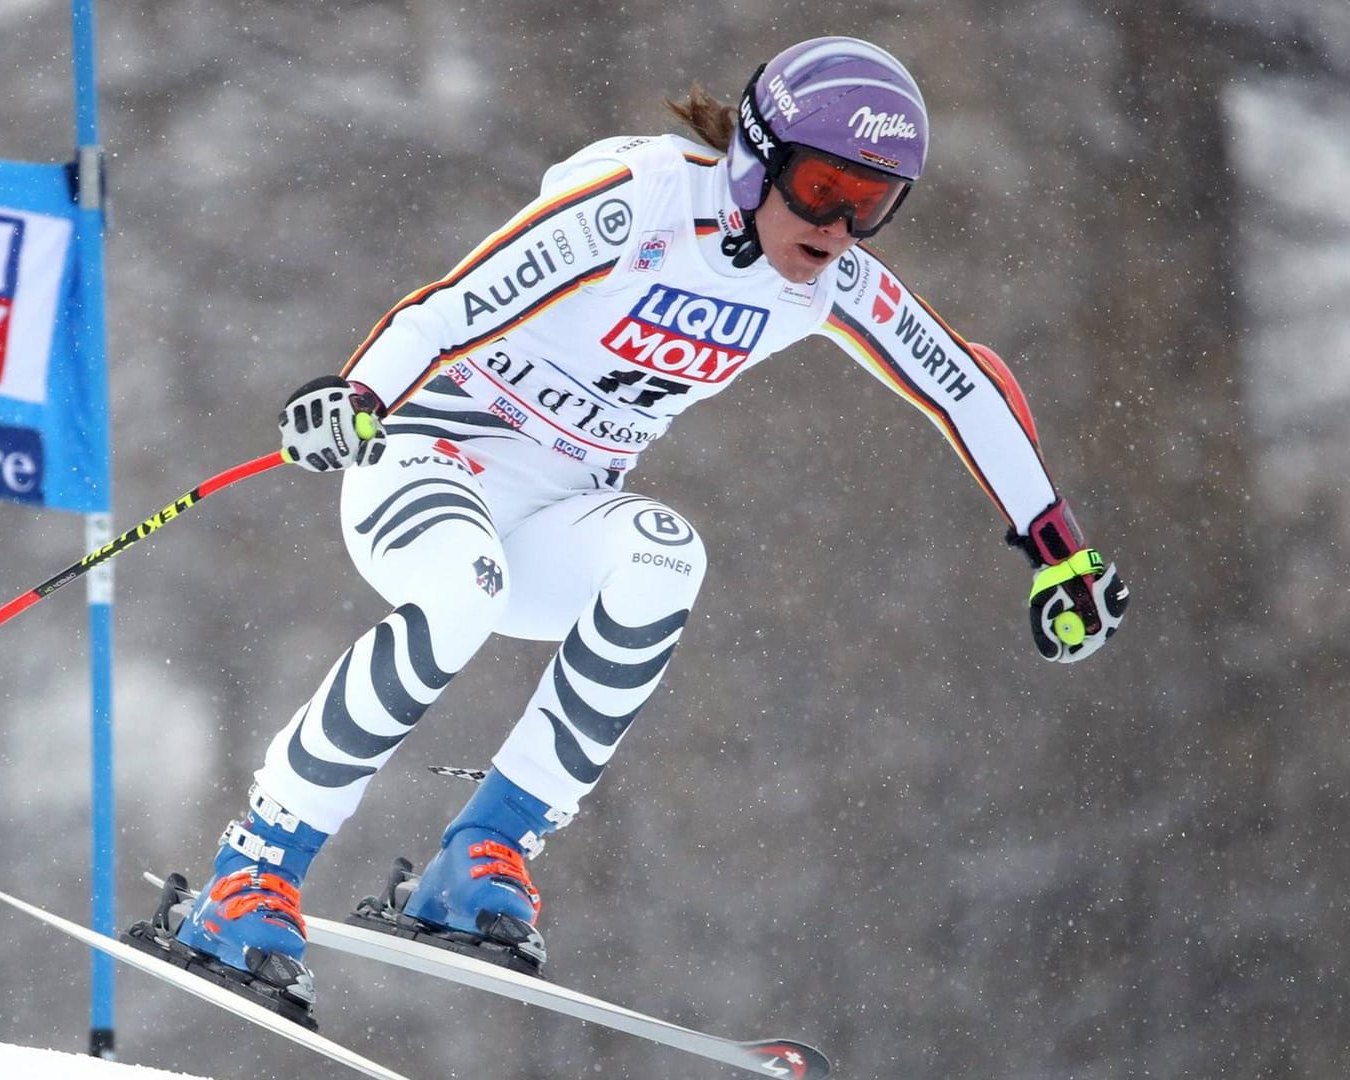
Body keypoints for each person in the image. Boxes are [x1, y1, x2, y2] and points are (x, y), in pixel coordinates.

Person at [136, 35, 1130, 1021]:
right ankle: (251, 873)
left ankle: (484, 854)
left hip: (558, 508)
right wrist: (356, 394)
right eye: (824, 184)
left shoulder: (828, 283)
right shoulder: (637, 203)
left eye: (872, 202)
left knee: (666, 556)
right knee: (459, 592)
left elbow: (964, 385)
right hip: (431, 462)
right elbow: (448, 309)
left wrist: (1059, 554)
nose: (837, 225)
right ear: (756, 153)